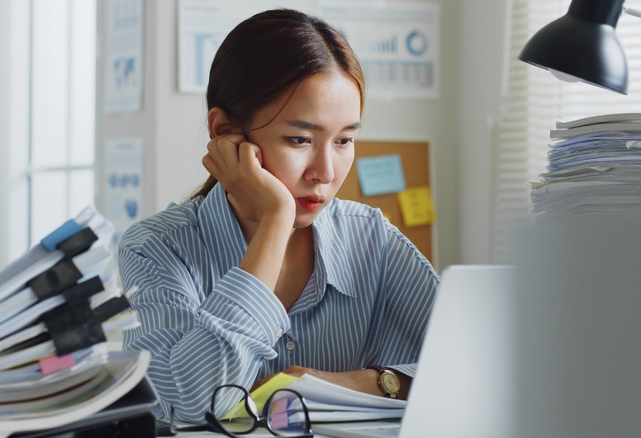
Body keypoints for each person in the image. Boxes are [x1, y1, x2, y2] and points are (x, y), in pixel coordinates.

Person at [118, 8, 439, 423]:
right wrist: (275, 219)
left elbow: (477, 370)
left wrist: (362, 383)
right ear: (223, 132)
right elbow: (188, 403)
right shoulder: (158, 247)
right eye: (299, 139)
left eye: (344, 140)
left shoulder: (372, 238)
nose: (325, 171)